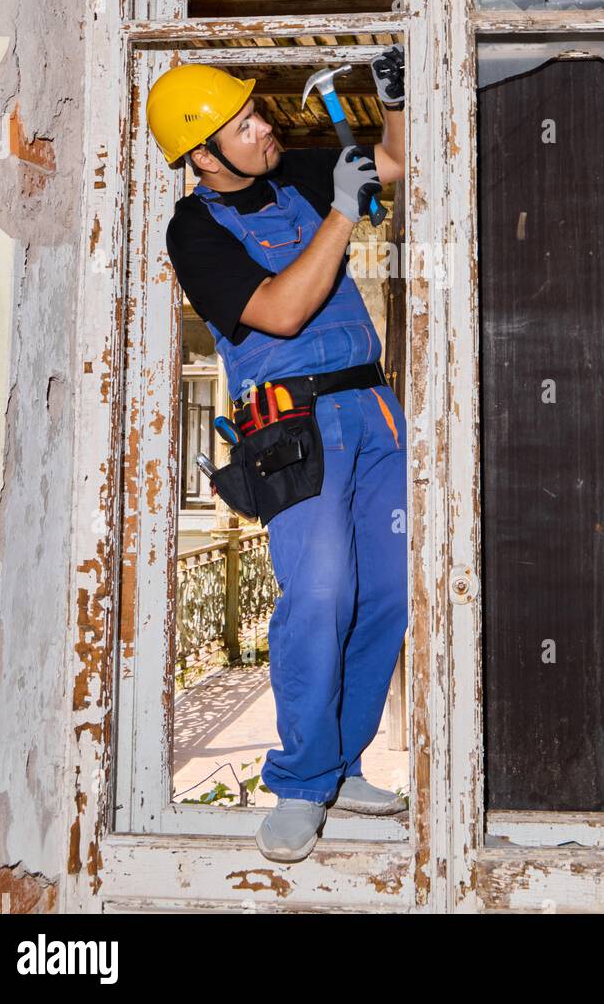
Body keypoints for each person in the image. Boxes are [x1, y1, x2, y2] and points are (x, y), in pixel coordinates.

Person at [146, 49, 408, 862]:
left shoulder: (292, 167)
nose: (265, 128)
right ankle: (298, 783)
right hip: (291, 427)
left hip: (372, 407)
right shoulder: (194, 229)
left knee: (388, 595)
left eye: (257, 115)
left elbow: (392, 162)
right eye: (244, 126)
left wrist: (393, 98)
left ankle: (342, 765)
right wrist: (336, 213)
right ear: (202, 155)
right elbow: (280, 314)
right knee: (321, 592)